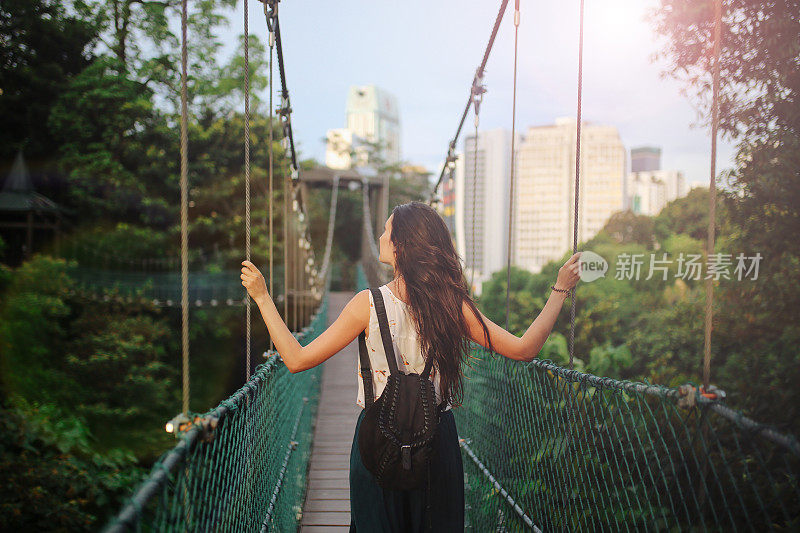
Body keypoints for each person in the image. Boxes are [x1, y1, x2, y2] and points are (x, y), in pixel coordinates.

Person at [241, 201, 582, 532]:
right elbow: (524, 350)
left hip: (377, 436)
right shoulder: (452, 305)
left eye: (387, 230)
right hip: (437, 437)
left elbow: (297, 360)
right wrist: (560, 290)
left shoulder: (367, 304)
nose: (380, 236)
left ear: (402, 245)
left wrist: (262, 297)